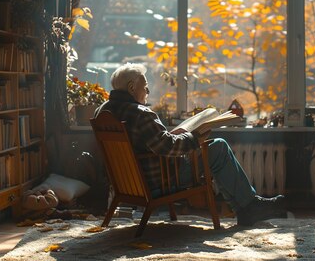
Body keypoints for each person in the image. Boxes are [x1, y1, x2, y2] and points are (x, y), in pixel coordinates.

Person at [94, 63, 287, 226]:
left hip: (129, 183)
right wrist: (195, 138)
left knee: (213, 152)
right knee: (218, 147)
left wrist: (172, 135)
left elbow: (150, 144)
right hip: (161, 180)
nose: (147, 91)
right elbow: (168, 148)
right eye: (145, 87)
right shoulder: (141, 113)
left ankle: (246, 208)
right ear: (131, 87)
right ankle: (248, 207)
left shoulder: (103, 111)